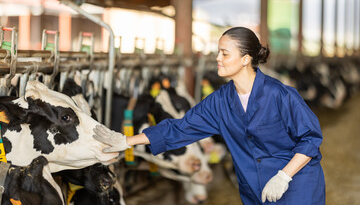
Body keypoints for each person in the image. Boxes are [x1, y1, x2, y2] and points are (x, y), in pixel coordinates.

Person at [93, 27, 325, 204]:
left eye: (225, 53)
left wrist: (284, 176)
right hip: (254, 188)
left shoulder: (281, 94)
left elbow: (311, 139)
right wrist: (126, 141)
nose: (218, 59)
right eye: (218, 53)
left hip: (297, 185)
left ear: (245, 59)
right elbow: (180, 128)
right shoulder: (220, 100)